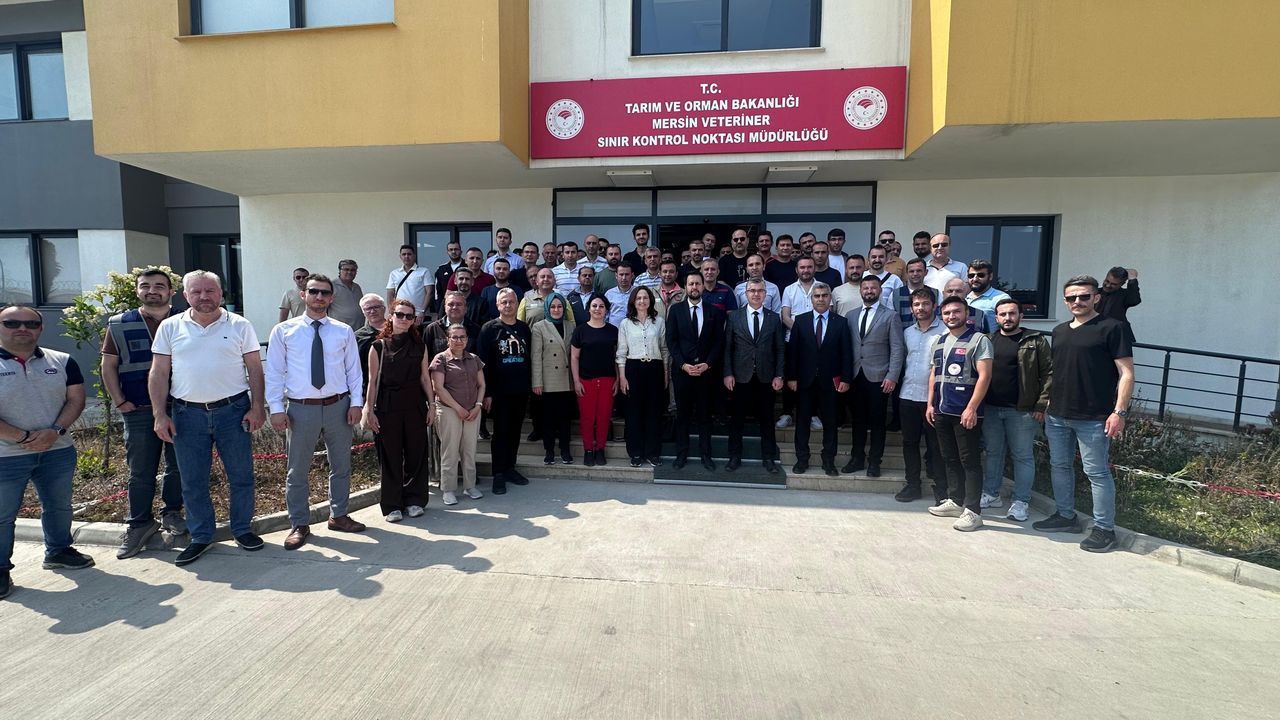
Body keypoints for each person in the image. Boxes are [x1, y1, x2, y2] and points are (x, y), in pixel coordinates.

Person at [149, 270, 266, 566]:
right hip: (187, 415)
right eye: (197, 291)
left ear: (221, 294)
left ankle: (242, 529)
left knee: (241, 476)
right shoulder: (170, 327)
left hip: (233, 412)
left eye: (210, 291)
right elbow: (159, 372)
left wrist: (257, 406)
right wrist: (159, 414)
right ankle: (201, 536)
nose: (204, 296)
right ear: (185, 295)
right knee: (192, 481)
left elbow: (254, 368)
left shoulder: (240, 325)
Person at [266, 273, 367, 551]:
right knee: (297, 470)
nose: (319, 296)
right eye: (314, 291)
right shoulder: (284, 331)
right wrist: (276, 408)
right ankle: (299, 523)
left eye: (324, 292)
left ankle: (339, 515)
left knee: (341, 466)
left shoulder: (343, 331)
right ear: (303, 294)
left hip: (338, 406)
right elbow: (273, 372)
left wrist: (356, 403)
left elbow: (353, 371)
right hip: (301, 409)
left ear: (331, 298)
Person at [1034, 275, 1134, 553]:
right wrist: (1046, 404)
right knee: (1060, 466)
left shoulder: (1112, 328)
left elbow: (1126, 373)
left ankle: (1105, 529)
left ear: (1096, 297)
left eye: (1084, 296)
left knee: (1097, 473)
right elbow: (1057, 371)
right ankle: (1065, 516)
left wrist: (1119, 412)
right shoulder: (1059, 331)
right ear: (1065, 301)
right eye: (1071, 297)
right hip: (1057, 415)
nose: (1077, 301)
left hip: (1094, 417)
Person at [1, 304, 92, 598]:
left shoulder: (62, 360)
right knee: (2, 515)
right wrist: (25, 437)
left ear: (40, 328)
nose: (22, 328)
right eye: (12, 323)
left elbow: (76, 399)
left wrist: (55, 432)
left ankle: (59, 550)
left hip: (57, 450)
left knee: (59, 506)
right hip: (6, 456)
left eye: (30, 324)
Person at [102, 269, 186, 559]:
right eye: (146, 285)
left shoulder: (186, 320)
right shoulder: (119, 324)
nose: (152, 290)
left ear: (171, 292)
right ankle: (139, 523)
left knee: (178, 466)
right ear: (137, 290)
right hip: (138, 409)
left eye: (159, 286)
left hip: (180, 407)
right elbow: (109, 365)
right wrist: (119, 401)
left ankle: (172, 513)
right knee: (140, 471)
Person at [980, 298, 1052, 522]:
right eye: (1003, 314)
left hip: (1022, 411)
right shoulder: (988, 339)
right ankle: (991, 494)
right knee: (993, 453)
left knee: (1022, 456)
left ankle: (1021, 501)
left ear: (1021, 316)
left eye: (1012, 313)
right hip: (991, 408)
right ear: (996, 317)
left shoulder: (1035, 340)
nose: (1007, 318)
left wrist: (1041, 404)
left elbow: (1049, 373)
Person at [925, 297, 993, 532]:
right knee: (949, 457)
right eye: (947, 313)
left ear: (966, 313)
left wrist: (972, 407)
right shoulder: (940, 341)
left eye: (956, 311)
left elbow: (985, 376)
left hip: (965, 412)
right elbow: (934, 374)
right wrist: (930, 404)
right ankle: (955, 501)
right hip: (942, 409)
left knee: (969, 460)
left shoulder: (979, 340)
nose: (951, 316)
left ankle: (973, 511)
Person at [363, 299, 432, 522]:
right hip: (387, 406)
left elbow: (425, 378)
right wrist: (369, 410)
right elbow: (372, 381)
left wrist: (432, 405)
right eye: (400, 314)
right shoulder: (378, 346)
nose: (404, 319)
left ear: (413, 320)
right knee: (390, 456)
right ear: (391, 316)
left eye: (409, 316)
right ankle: (392, 504)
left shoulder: (420, 346)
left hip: (415, 405)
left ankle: (415, 500)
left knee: (416, 454)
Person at [786, 283, 851, 476]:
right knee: (802, 422)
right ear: (811, 299)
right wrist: (791, 377)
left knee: (830, 423)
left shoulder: (841, 322)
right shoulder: (801, 320)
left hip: (830, 382)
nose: (821, 299)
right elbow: (793, 352)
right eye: (817, 296)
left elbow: (846, 353)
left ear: (830, 299)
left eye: (824, 295)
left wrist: (846, 378)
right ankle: (802, 460)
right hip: (804, 381)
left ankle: (828, 461)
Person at [723, 278, 786, 474]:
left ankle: (769, 458)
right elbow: (728, 348)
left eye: (760, 291)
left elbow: (780, 349)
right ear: (746, 294)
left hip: (766, 377)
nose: (756, 294)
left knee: (767, 420)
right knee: (737, 420)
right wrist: (728, 373)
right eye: (752, 291)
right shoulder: (734, 317)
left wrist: (779, 375)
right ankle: (734, 457)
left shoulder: (774, 318)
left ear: (765, 294)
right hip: (740, 377)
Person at [844, 275, 904, 477]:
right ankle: (857, 458)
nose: (869, 291)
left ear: (880, 291)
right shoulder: (851, 315)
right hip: (855, 375)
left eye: (873, 288)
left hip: (879, 376)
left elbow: (897, 349)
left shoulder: (891, 316)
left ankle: (874, 462)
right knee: (858, 421)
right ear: (860, 291)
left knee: (877, 422)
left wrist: (892, 376)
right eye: (866, 288)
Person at [666, 272, 725, 471]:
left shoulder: (714, 311)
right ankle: (681, 455)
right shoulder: (675, 310)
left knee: (704, 417)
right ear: (685, 287)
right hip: (682, 372)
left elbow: (719, 342)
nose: (694, 287)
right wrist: (683, 365)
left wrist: (708, 364)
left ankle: (706, 456)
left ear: (703, 286)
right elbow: (671, 341)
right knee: (682, 416)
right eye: (691, 284)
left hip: (706, 374)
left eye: (697, 284)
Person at [894, 289, 948, 503]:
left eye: (925, 303)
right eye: (916, 304)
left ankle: (942, 489)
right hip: (908, 395)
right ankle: (912, 485)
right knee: (909, 443)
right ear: (911, 308)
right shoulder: (907, 332)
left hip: (934, 399)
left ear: (934, 306)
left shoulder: (945, 331)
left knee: (936, 445)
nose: (921, 308)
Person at [477, 288, 532, 494]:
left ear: (517, 304)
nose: (508, 305)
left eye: (511, 302)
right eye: (504, 302)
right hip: (499, 393)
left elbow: (529, 358)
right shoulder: (489, 329)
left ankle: (510, 468)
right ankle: (498, 473)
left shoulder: (524, 329)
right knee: (501, 432)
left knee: (515, 432)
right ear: (497, 305)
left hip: (520, 390)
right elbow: (483, 363)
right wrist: (487, 393)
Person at [430, 323, 486, 506]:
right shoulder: (441, 359)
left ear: (467, 339)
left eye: (462, 337)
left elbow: (482, 385)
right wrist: (457, 408)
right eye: (454, 337)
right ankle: (448, 489)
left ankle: (470, 486)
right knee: (450, 450)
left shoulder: (474, 359)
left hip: (472, 410)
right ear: (448, 339)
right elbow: (438, 387)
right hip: (449, 410)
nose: (459, 340)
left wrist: (478, 406)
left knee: (469, 450)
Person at [616, 286, 668, 467]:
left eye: (645, 297)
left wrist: (665, 374)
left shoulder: (659, 322)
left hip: (654, 368)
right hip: (633, 368)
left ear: (650, 301)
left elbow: (664, 349)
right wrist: (622, 377)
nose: (642, 301)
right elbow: (621, 352)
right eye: (638, 298)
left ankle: (652, 453)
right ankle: (636, 453)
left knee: (653, 412)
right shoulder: (625, 324)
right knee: (634, 412)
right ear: (633, 301)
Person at [571, 296, 619, 467]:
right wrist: (576, 381)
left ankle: (600, 449)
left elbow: (617, 357)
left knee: (604, 417)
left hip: (607, 380)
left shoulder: (613, 331)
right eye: (594, 305)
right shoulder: (580, 331)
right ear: (589, 308)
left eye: (601, 306)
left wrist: (617, 379)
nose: (597, 309)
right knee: (587, 418)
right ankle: (588, 450)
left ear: (606, 310)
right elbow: (574, 357)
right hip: (586, 381)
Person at [531, 294, 576, 465]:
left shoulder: (571, 326)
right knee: (548, 420)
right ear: (547, 308)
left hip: (566, 379)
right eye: (553, 307)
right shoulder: (539, 327)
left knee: (565, 419)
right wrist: (537, 382)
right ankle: (549, 451)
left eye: (559, 306)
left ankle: (565, 450)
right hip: (548, 381)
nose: (556, 310)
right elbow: (536, 356)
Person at [777, 257, 819, 431]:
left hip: (817, 341)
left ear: (814, 268)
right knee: (791, 376)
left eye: (809, 267)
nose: (806, 270)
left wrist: (812, 334)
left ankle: (813, 414)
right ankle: (787, 413)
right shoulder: (789, 289)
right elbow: (785, 316)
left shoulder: (822, 287)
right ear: (797, 270)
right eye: (802, 267)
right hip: (792, 340)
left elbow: (827, 311)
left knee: (814, 377)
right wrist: (802, 332)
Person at [426, 290, 481, 359]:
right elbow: (426, 357)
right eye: (451, 304)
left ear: (466, 308)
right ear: (445, 308)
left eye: (459, 304)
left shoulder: (476, 330)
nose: (455, 307)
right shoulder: (432, 329)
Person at [386, 245, 435, 321]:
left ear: (414, 256)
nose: (406, 256)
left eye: (409, 254)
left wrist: (422, 311)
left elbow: (430, 292)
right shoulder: (394, 273)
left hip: (417, 314)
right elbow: (390, 294)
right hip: (400, 314)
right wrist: (391, 311)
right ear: (400, 257)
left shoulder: (424, 271)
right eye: (404, 254)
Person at [965, 260, 1012, 332]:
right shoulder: (963, 298)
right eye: (971, 276)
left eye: (981, 275)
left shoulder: (1001, 298)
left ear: (990, 276)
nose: (975, 279)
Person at [889, 258, 938, 326]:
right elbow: (890, 320)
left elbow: (940, 317)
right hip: (902, 332)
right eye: (911, 271)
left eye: (919, 271)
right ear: (906, 273)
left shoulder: (935, 293)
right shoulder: (895, 295)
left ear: (926, 272)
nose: (915, 274)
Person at [1098, 266, 1141, 342]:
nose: (1108, 285)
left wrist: (1132, 280)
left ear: (1122, 284)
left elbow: (1134, 300)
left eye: (1113, 284)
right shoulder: (1094, 292)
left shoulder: (1124, 295)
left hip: (1117, 337)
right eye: (1107, 281)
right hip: (1094, 335)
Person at [355, 293, 387, 383]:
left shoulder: (396, 331)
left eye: (376, 307)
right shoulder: (358, 336)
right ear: (363, 312)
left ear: (384, 309)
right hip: (368, 385)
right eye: (368, 308)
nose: (372, 311)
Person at [330, 259, 365, 328]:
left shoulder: (357, 287)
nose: (349, 272)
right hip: (339, 329)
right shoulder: (331, 286)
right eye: (346, 269)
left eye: (353, 270)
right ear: (340, 271)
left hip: (358, 328)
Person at [434, 239, 464, 312]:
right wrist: (439, 309)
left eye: (456, 249)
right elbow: (438, 292)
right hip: (447, 307)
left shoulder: (467, 267)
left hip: (464, 306)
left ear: (461, 251)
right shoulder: (441, 269)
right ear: (447, 252)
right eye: (451, 250)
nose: (453, 252)